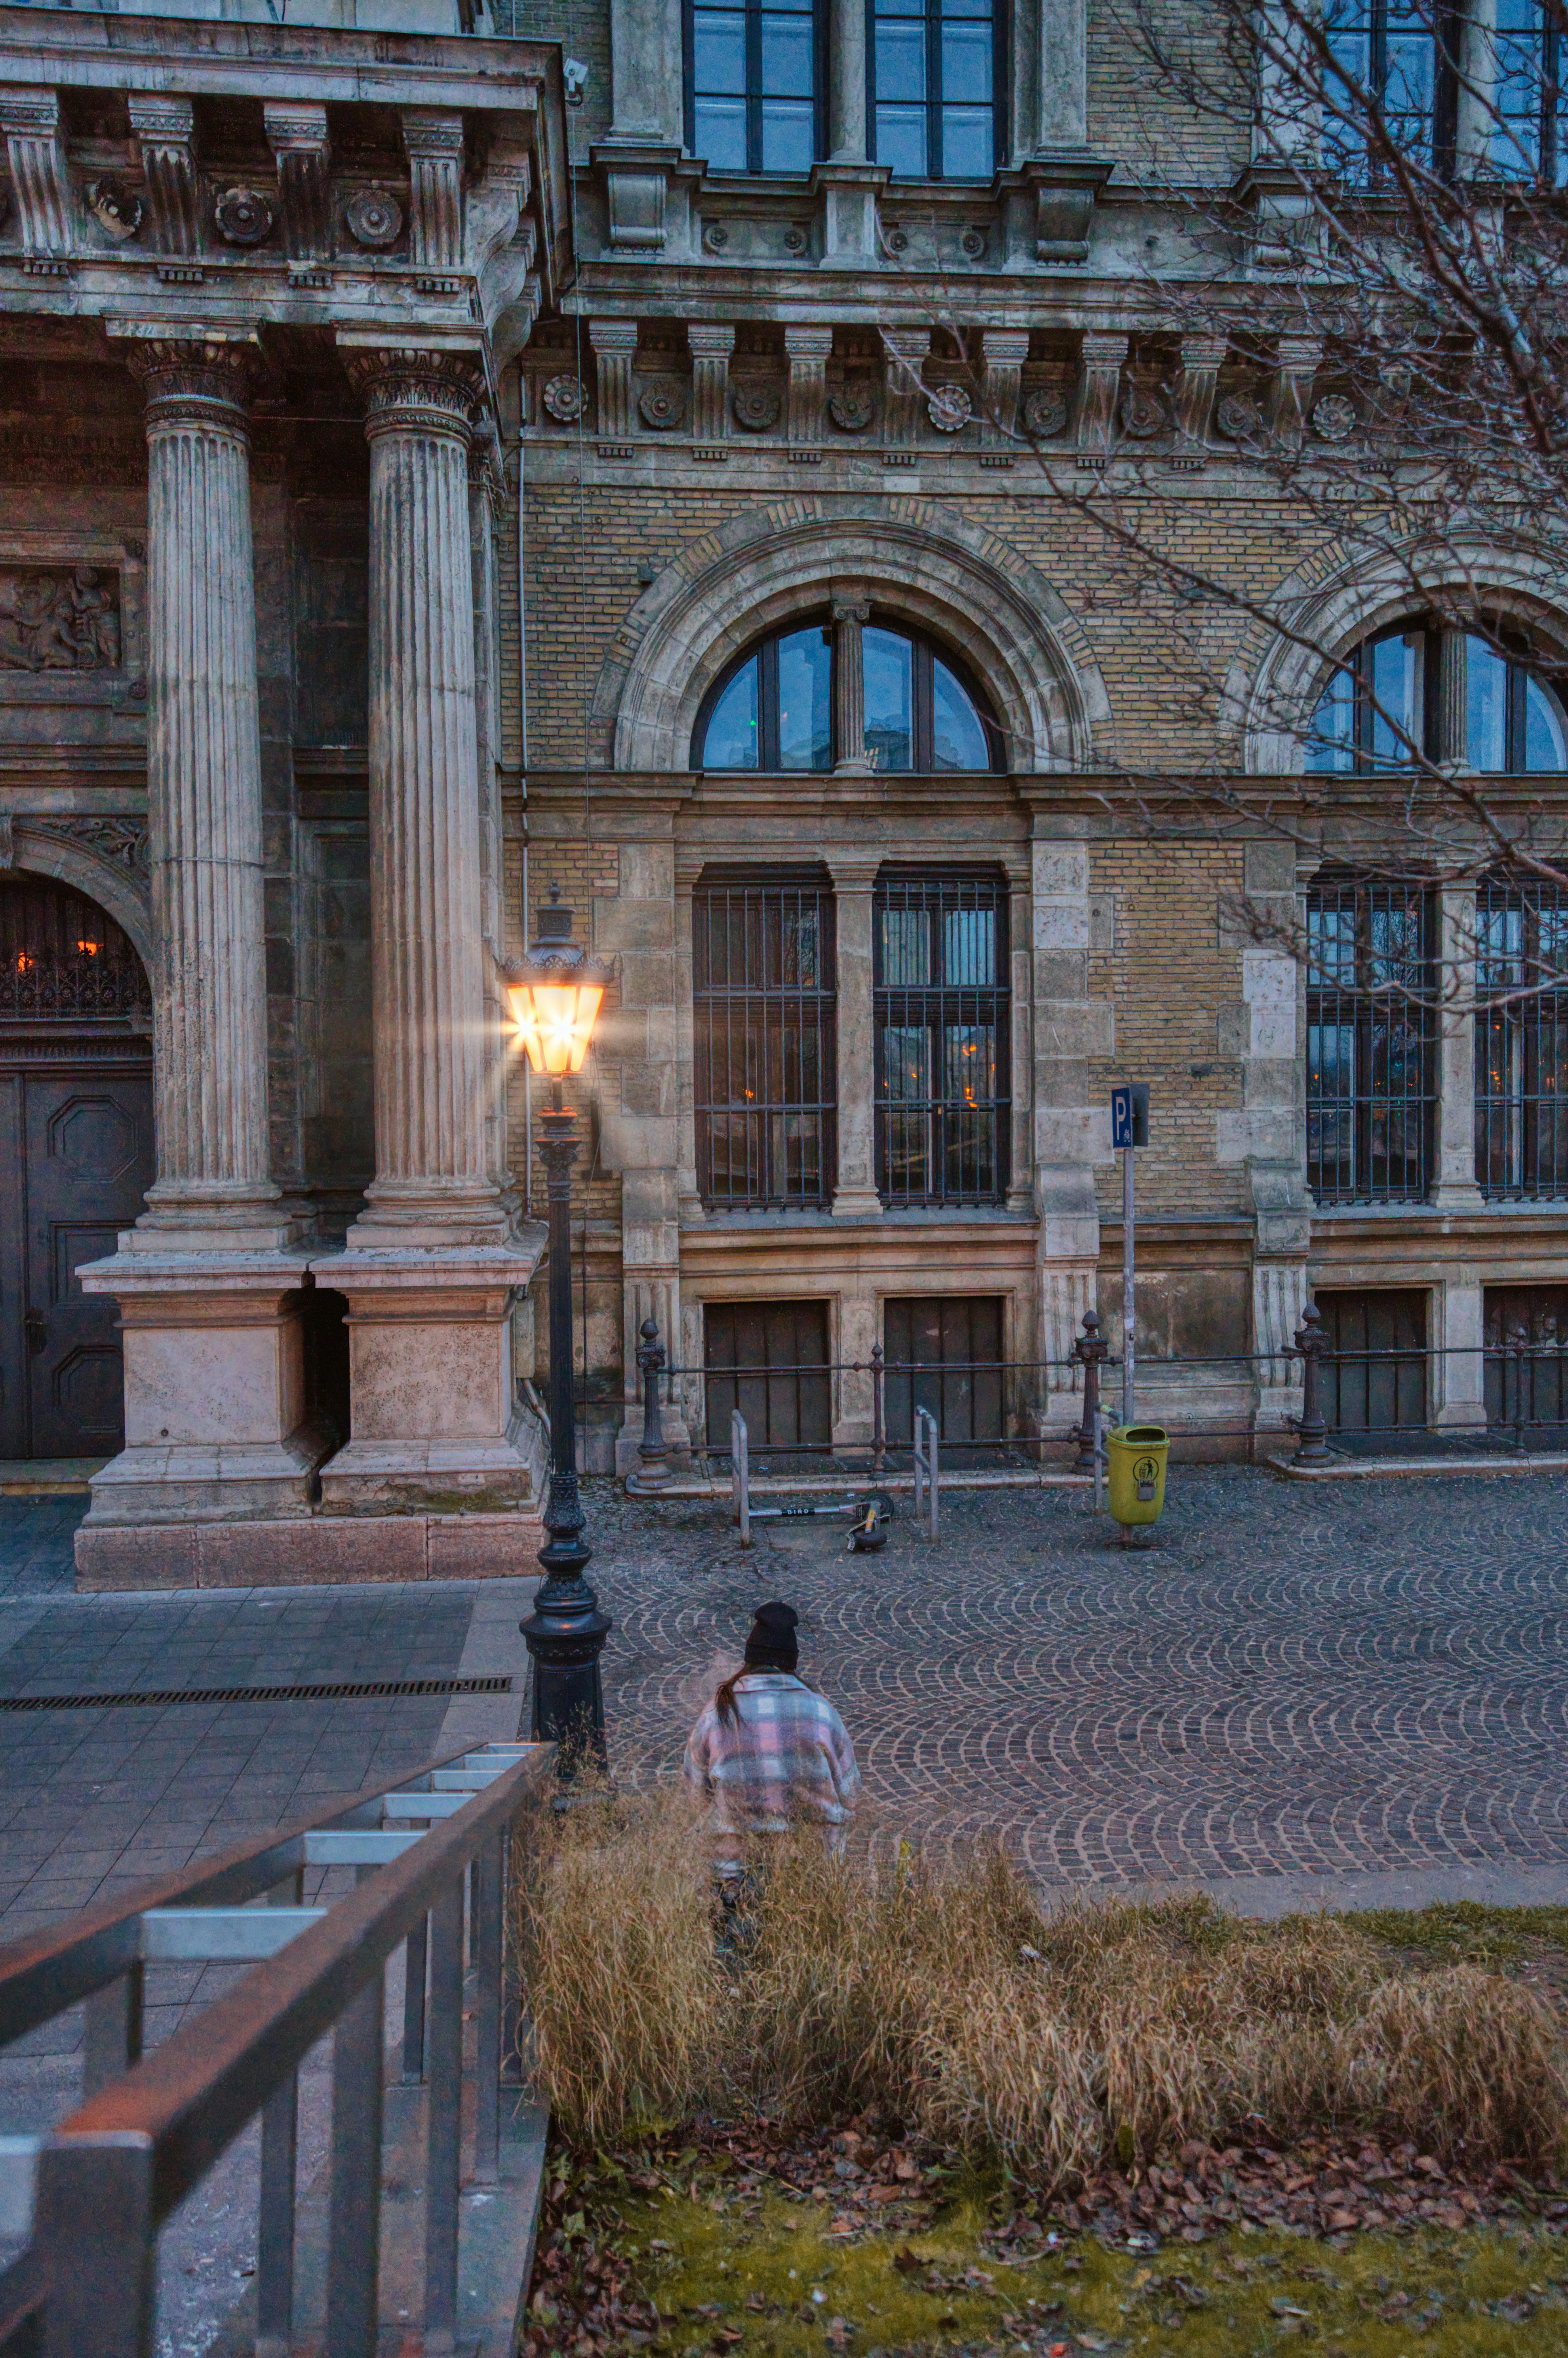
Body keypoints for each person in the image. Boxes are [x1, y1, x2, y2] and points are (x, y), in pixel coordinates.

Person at [683, 1601, 860, 1879]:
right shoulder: (822, 1714)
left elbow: (695, 1797)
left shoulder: (716, 1715)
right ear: (792, 1663)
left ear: (749, 1660)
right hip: (812, 1872)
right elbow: (850, 1794)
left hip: (733, 1873)